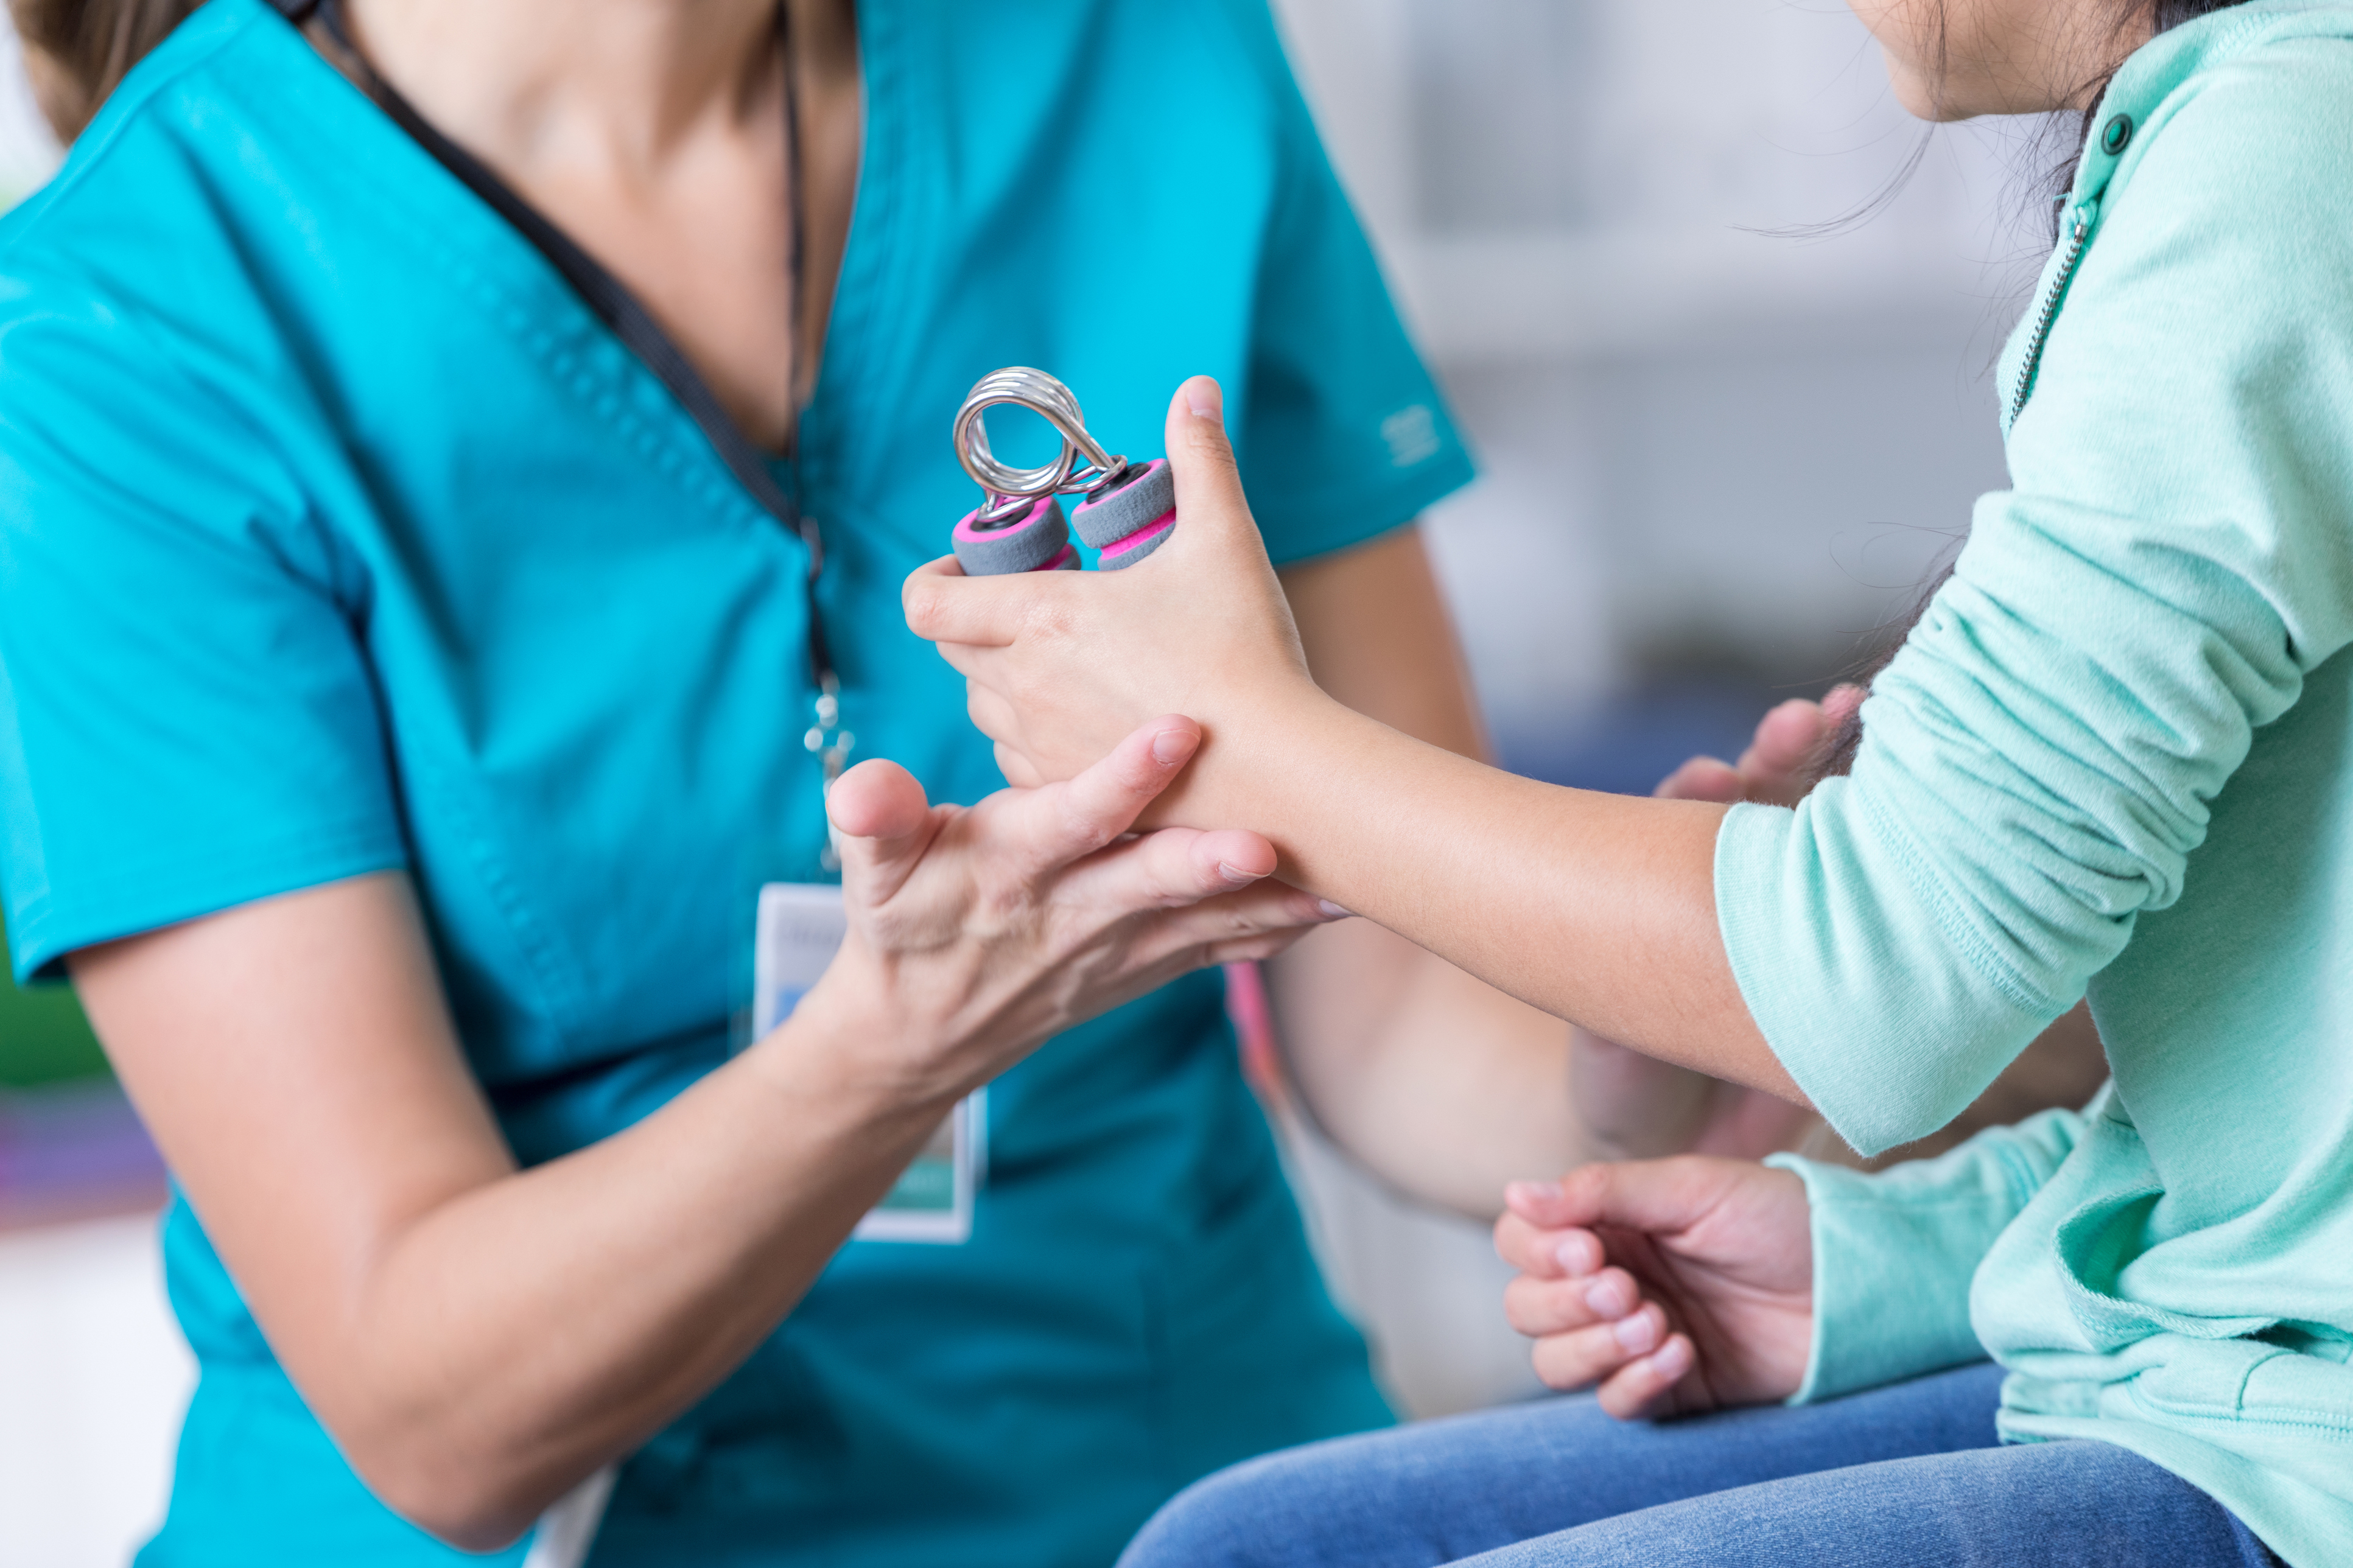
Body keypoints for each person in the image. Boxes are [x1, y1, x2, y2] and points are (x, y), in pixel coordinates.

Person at [0, 0, 1800, 1561]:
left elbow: (1395, 1016)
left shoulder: (1140, 52)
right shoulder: (118, 334)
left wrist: (1627, 1051)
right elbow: (429, 1408)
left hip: (1200, 1503)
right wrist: (892, 1048)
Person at [907, 0, 2353, 1559]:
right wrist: (1889, 1252)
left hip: (2290, 1445)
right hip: (2226, 1359)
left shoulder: (2282, 154)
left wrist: (1256, 749)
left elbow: (1884, 968)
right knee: (1244, 1548)